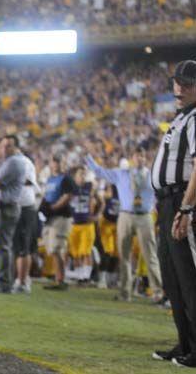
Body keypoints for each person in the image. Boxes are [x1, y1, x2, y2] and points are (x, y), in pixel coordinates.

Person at [150, 60, 196, 368]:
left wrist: (185, 207)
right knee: (173, 278)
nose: (179, 88)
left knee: (188, 278)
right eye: (177, 82)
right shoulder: (181, 118)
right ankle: (186, 342)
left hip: (182, 201)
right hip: (168, 203)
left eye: (187, 83)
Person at [86, 148, 162, 301]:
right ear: (132, 158)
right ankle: (125, 293)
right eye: (137, 155)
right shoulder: (122, 173)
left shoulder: (152, 175)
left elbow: (161, 191)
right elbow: (101, 172)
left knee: (150, 255)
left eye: (142, 156)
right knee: (124, 255)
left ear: (145, 158)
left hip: (145, 216)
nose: (140, 158)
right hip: (125, 215)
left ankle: (158, 292)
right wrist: (90, 160)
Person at [0, 134, 27, 293]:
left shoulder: (14, 162)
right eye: (3, 145)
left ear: (16, 147)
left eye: (8, 146)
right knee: (3, 245)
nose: (4, 149)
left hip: (6, 208)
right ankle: (4, 282)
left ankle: (4, 284)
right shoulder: (10, 161)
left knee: (3, 246)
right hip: (5, 207)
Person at [41, 154, 76, 290]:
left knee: (57, 248)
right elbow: (47, 195)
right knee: (52, 249)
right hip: (51, 217)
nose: (56, 164)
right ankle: (58, 278)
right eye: (54, 161)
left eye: (58, 161)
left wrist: (52, 207)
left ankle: (60, 280)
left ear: (63, 163)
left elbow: (68, 195)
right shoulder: (50, 179)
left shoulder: (66, 178)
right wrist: (44, 206)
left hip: (62, 216)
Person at [67, 166, 99, 283]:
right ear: (75, 176)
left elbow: (101, 201)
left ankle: (86, 276)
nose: (83, 176)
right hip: (74, 223)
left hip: (87, 224)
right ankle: (80, 276)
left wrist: (97, 215)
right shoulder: (71, 188)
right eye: (81, 174)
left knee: (85, 251)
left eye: (84, 174)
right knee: (75, 253)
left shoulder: (89, 186)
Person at [13, 151, 39, 293]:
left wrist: (10, 181)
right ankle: (19, 279)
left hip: (26, 207)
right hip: (18, 207)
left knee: (24, 246)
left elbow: (30, 180)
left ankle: (23, 281)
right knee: (18, 246)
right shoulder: (13, 162)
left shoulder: (25, 162)